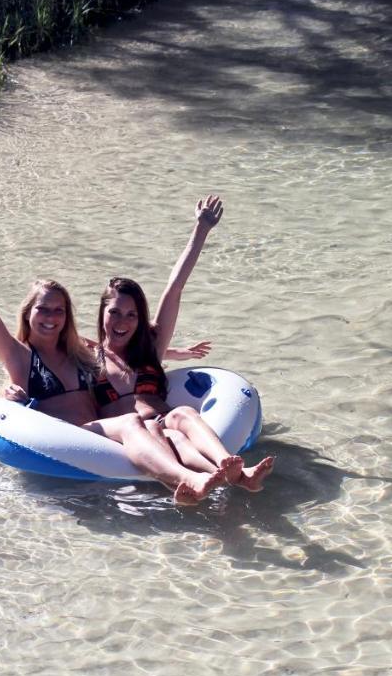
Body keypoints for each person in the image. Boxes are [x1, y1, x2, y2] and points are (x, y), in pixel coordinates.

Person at [0, 210, 228, 504]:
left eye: (58, 310)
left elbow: (122, 350)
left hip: (106, 436)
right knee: (133, 421)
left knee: (151, 425)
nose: (50, 316)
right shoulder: (19, 355)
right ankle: (186, 479)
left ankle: (205, 478)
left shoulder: (79, 355)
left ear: (67, 316)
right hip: (68, 444)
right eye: (42, 309)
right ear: (27, 313)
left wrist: (171, 352)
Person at [91, 196, 274, 491]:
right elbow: (38, 355)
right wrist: (12, 389)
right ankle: (233, 479)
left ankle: (233, 469)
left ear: (140, 320)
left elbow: (174, 288)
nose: (122, 322)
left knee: (183, 415)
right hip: (128, 436)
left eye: (131, 315)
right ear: (102, 314)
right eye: (114, 312)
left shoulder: (149, 348)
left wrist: (201, 228)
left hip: (164, 419)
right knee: (166, 434)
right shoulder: (88, 357)